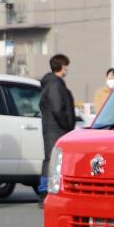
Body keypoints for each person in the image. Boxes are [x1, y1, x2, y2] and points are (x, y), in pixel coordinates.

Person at [38, 53, 77, 195]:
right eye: (66, 65)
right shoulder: (55, 84)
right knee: (51, 159)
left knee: (52, 159)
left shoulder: (52, 83)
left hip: (53, 128)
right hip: (56, 129)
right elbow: (58, 108)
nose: (67, 69)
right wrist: (67, 125)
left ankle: (47, 189)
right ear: (62, 66)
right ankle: (44, 191)